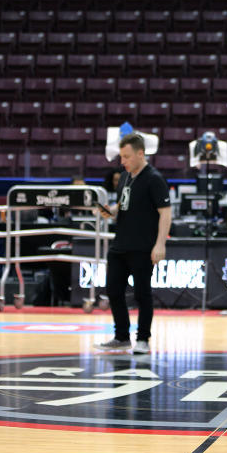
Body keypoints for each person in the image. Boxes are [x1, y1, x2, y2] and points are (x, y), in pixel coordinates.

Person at [95, 132, 171, 354]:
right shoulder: (126, 176)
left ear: (140, 153)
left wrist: (160, 244)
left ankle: (143, 339)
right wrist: (110, 210)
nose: (123, 161)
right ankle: (121, 336)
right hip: (120, 244)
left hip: (142, 246)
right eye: (121, 157)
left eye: (127, 157)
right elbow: (124, 203)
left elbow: (166, 214)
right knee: (113, 290)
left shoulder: (154, 179)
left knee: (142, 294)